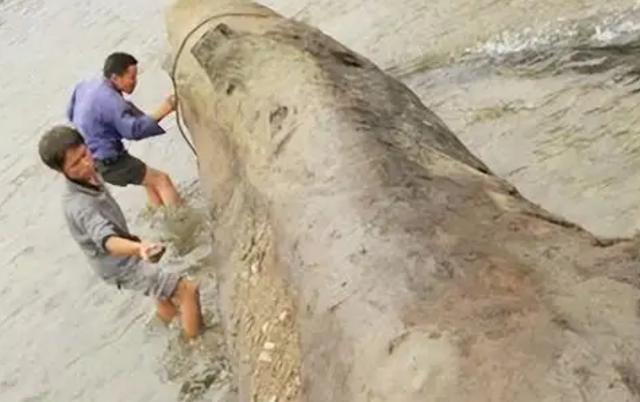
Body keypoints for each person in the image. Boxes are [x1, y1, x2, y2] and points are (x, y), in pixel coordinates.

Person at [38, 125, 202, 339]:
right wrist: (139, 248)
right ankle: (194, 343)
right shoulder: (80, 206)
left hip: (120, 253)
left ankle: (171, 330)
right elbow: (107, 241)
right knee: (187, 290)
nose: (86, 164)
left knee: (161, 292)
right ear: (61, 172)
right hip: (120, 264)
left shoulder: (88, 173)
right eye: (75, 164)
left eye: (84, 154)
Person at [67, 52, 181, 207]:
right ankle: (182, 217)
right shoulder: (112, 102)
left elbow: (70, 113)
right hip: (109, 163)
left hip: (92, 159)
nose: (135, 82)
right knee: (162, 180)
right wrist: (166, 108)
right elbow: (133, 131)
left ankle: (159, 213)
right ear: (115, 78)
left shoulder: (86, 85)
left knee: (148, 181)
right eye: (131, 77)